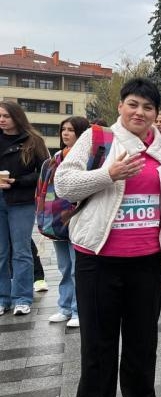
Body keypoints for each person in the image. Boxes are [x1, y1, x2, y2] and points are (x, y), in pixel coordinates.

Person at [55, 77, 161, 397]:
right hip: (98, 262)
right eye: (133, 104)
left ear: (156, 114)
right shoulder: (97, 139)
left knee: (141, 343)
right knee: (97, 346)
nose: (140, 113)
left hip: (147, 264)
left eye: (148, 108)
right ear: (120, 106)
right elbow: (64, 183)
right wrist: (108, 174)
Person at [0, 101, 49, 316]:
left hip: (21, 201)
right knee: (1, 252)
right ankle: (3, 298)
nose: (1, 120)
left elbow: (45, 172)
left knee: (21, 251)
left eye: (6, 116)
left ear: (17, 117)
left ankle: (22, 297)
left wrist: (17, 181)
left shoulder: (33, 140)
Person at [44, 116, 91, 328]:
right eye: (63, 129)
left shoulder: (88, 157)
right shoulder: (55, 157)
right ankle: (64, 306)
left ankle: (77, 309)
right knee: (64, 266)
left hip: (77, 215)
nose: (65, 133)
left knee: (76, 267)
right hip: (56, 217)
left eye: (71, 130)